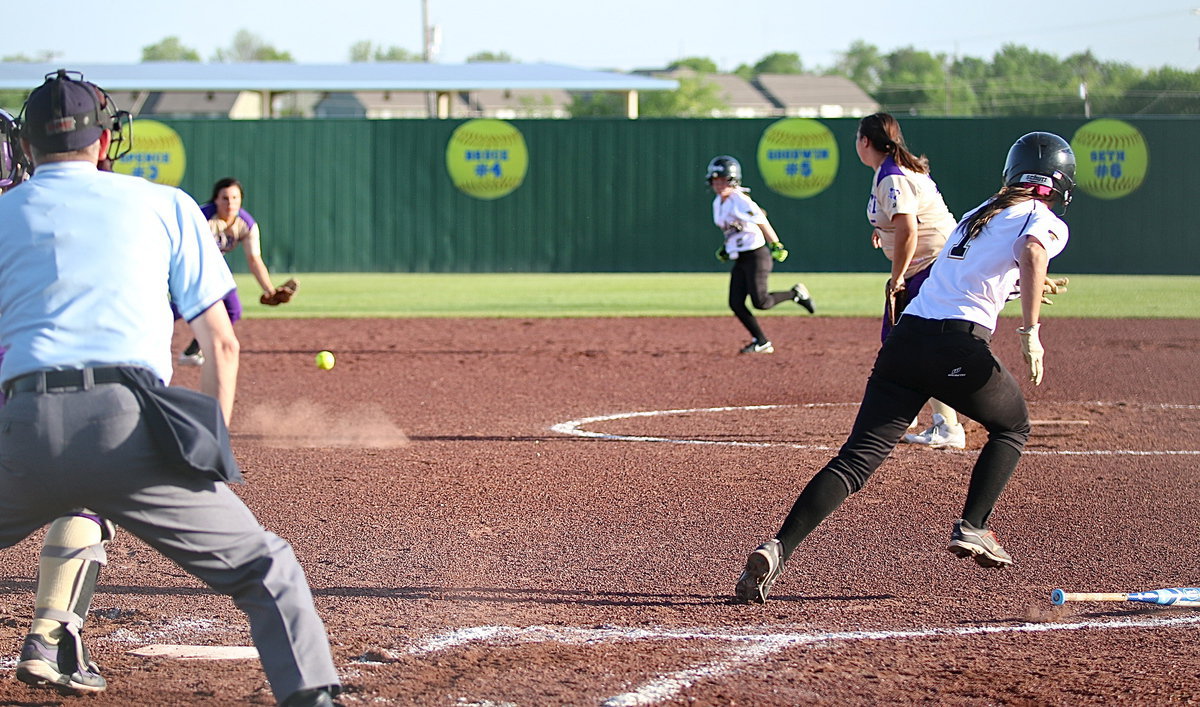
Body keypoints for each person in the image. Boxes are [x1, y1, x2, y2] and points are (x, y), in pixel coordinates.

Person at [0, 70, 340, 706]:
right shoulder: (166, 204)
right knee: (267, 571)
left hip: (22, 426)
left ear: (27, 146)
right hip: (131, 431)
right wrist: (205, 446)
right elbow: (222, 341)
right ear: (106, 143)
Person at [734, 131, 1076, 604]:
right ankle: (974, 526)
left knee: (854, 461)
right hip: (956, 345)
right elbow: (1032, 252)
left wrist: (1026, 288)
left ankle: (777, 547)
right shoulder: (1042, 216)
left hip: (906, 340)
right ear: (1060, 183)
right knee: (1013, 426)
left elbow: (973, 277)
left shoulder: (980, 214)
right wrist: (1030, 330)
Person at [854, 113, 968, 450]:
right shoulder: (890, 169)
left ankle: (947, 425)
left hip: (931, 267)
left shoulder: (892, 175)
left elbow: (909, 229)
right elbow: (901, 222)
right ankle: (930, 418)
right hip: (933, 265)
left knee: (910, 343)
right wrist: (882, 232)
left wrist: (898, 275)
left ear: (865, 142)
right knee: (904, 342)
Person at [707, 155, 815, 354]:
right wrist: (726, 247)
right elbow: (733, 229)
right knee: (736, 303)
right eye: (715, 180)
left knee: (761, 302)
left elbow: (761, 220)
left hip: (756, 254)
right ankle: (762, 341)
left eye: (722, 179)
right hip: (740, 256)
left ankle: (796, 294)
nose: (718, 184)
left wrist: (776, 244)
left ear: (733, 180)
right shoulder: (718, 203)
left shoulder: (740, 199)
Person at [178, 177, 288, 366]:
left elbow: (254, 260)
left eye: (235, 198)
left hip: (212, 265)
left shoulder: (246, 224)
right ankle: (148, 334)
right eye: (225, 198)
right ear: (216, 200)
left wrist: (269, 289)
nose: (231, 203)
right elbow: (185, 248)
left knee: (233, 310)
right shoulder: (202, 217)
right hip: (187, 261)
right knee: (182, 305)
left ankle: (193, 350)